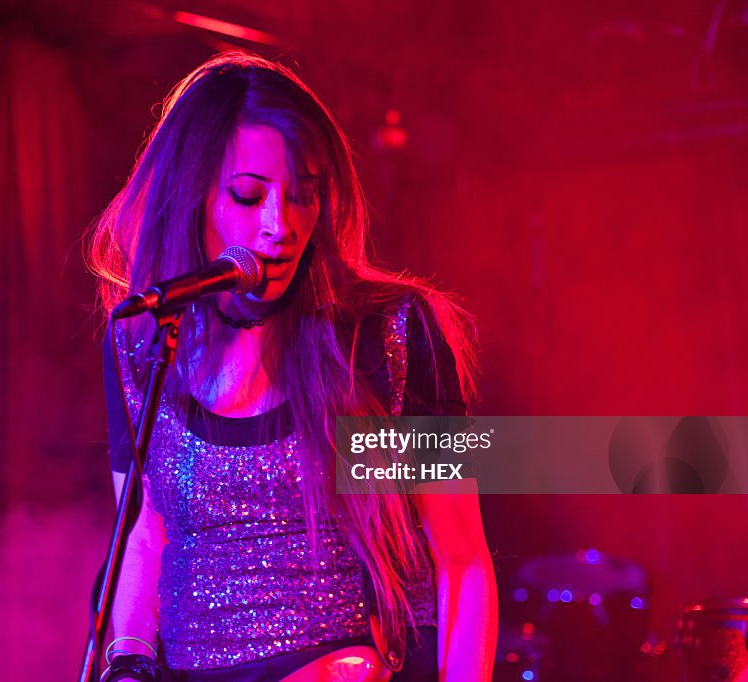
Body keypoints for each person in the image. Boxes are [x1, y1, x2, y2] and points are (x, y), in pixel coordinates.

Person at [88, 51, 497, 682]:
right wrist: (130, 659)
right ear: (192, 193)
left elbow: (463, 561)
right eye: (248, 196)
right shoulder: (143, 345)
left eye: (304, 196)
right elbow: (141, 534)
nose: (280, 226)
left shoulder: (388, 335)